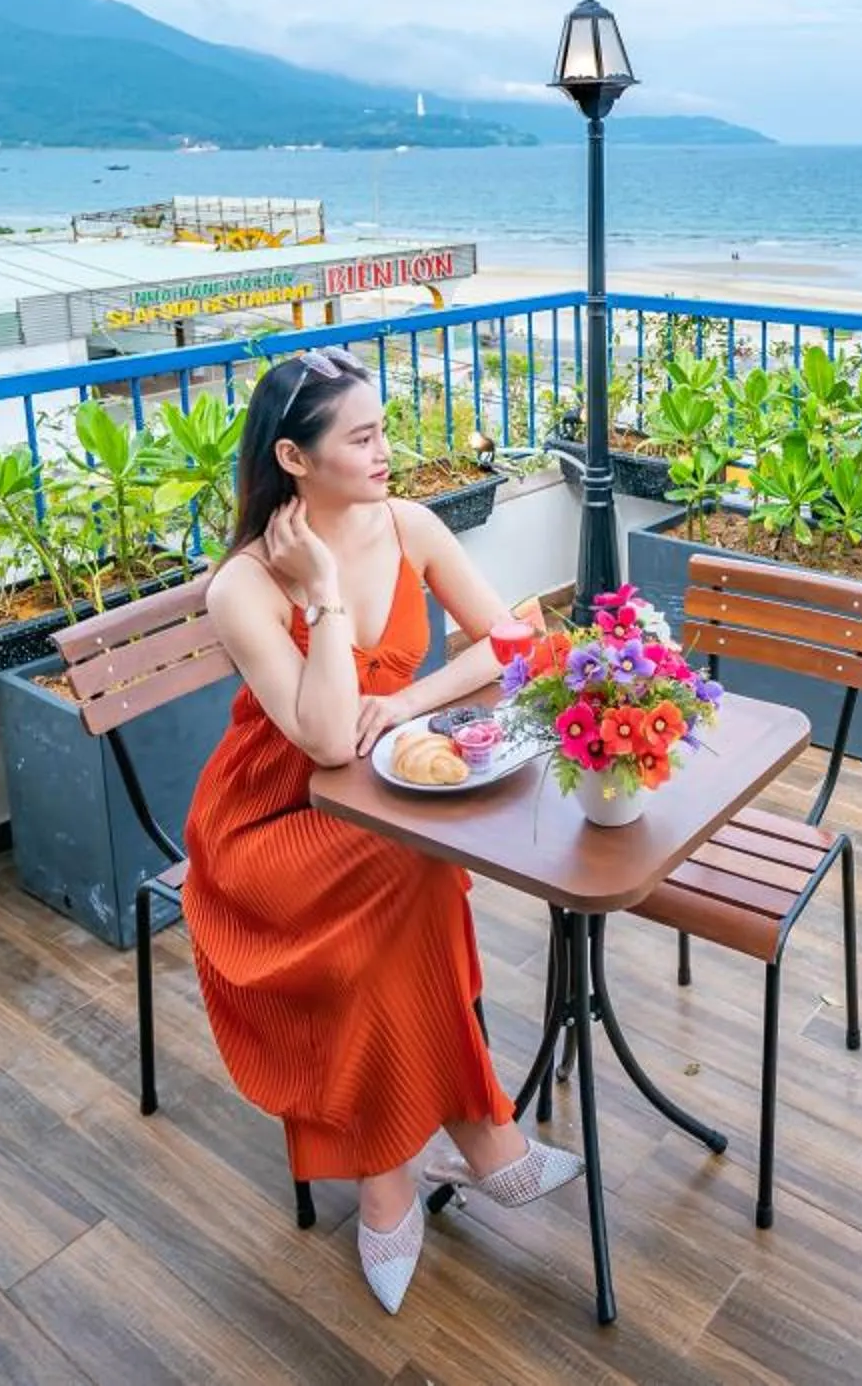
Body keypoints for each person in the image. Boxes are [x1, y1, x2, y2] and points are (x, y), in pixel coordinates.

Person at [187, 347, 580, 1313]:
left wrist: (409, 699)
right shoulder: (243, 587)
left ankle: (393, 1175)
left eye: (381, 428)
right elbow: (322, 741)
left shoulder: (410, 526)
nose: (385, 451)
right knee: (417, 872)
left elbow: (509, 643)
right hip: (269, 828)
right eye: (361, 437)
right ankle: (467, 1143)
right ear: (294, 457)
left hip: (384, 809)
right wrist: (320, 595)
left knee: (411, 872)